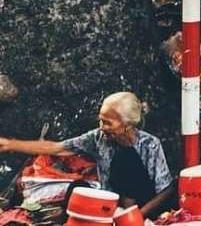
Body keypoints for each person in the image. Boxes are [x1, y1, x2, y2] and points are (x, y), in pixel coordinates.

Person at [0, 92, 174, 216]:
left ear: (127, 124)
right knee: (76, 188)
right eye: (101, 120)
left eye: (108, 123)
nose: (102, 127)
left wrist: (136, 216)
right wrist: (10, 144)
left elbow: (166, 189)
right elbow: (56, 148)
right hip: (110, 206)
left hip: (144, 208)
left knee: (127, 161)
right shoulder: (98, 138)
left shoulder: (150, 144)